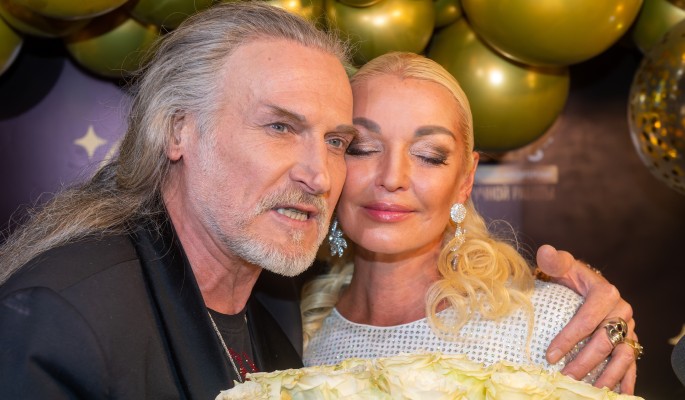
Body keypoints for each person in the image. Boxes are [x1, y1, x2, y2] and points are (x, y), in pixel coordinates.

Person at [0, 2, 634, 398]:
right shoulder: (70, 314)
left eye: (334, 141)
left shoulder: (276, 313)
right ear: (177, 130)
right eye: (281, 127)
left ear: (465, 178)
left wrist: (606, 322)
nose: (317, 173)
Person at [301, 52, 641, 393]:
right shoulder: (297, 338)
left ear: (465, 179)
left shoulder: (554, 324)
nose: (392, 178)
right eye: (362, 148)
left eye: (428, 155)